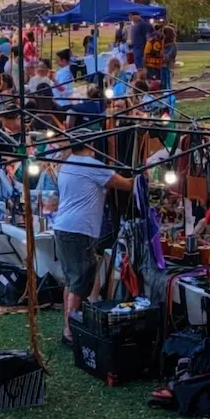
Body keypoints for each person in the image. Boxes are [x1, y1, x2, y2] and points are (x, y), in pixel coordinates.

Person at [54, 134, 133, 344]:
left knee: (72, 280)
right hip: (78, 230)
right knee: (80, 280)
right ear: (91, 145)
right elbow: (125, 184)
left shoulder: (67, 163)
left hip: (63, 227)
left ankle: (69, 326)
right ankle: (71, 330)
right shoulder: (92, 165)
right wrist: (143, 178)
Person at [160, 25, 178, 91]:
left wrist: (162, 56)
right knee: (162, 84)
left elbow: (169, 56)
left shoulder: (173, 45)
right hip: (160, 66)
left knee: (168, 84)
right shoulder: (160, 44)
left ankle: (168, 97)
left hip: (168, 67)